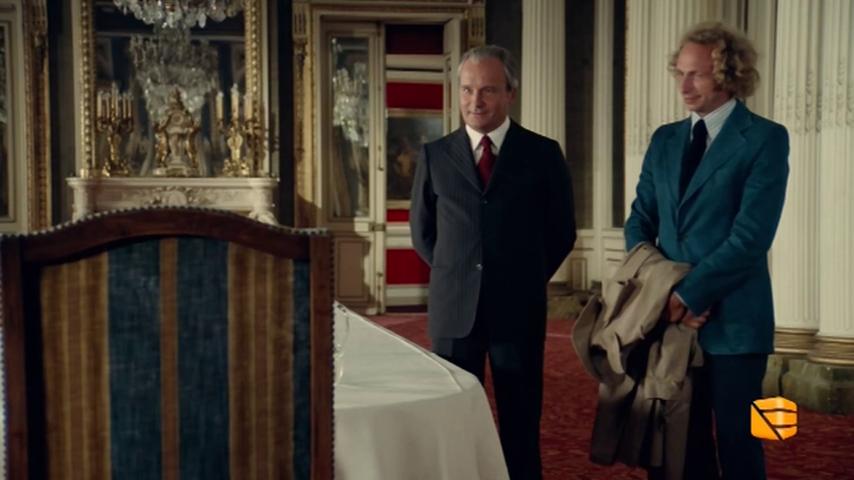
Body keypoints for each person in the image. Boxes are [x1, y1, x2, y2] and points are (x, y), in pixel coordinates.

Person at [624, 22, 790, 480]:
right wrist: (663, 292)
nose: (684, 85)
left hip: (736, 323)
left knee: (740, 443)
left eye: (695, 74)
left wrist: (689, 294)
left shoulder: (765, 138)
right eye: (679, 73)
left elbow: (751, 236)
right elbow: (639, 222)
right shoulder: (664, 139)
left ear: (728, 74)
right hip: (669, 321)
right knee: (678, 446)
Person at [410, 45, 576, 479]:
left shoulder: (542, 153)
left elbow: (561, 232)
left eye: (487, 90)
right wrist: (459, 273)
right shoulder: (435, 154)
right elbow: (423, 233)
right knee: (454, 421)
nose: (475, 100)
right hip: (453, 310)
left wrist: (523, 277)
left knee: (520, 423)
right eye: (467, 89)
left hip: (518, 309)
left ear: (510, 94)